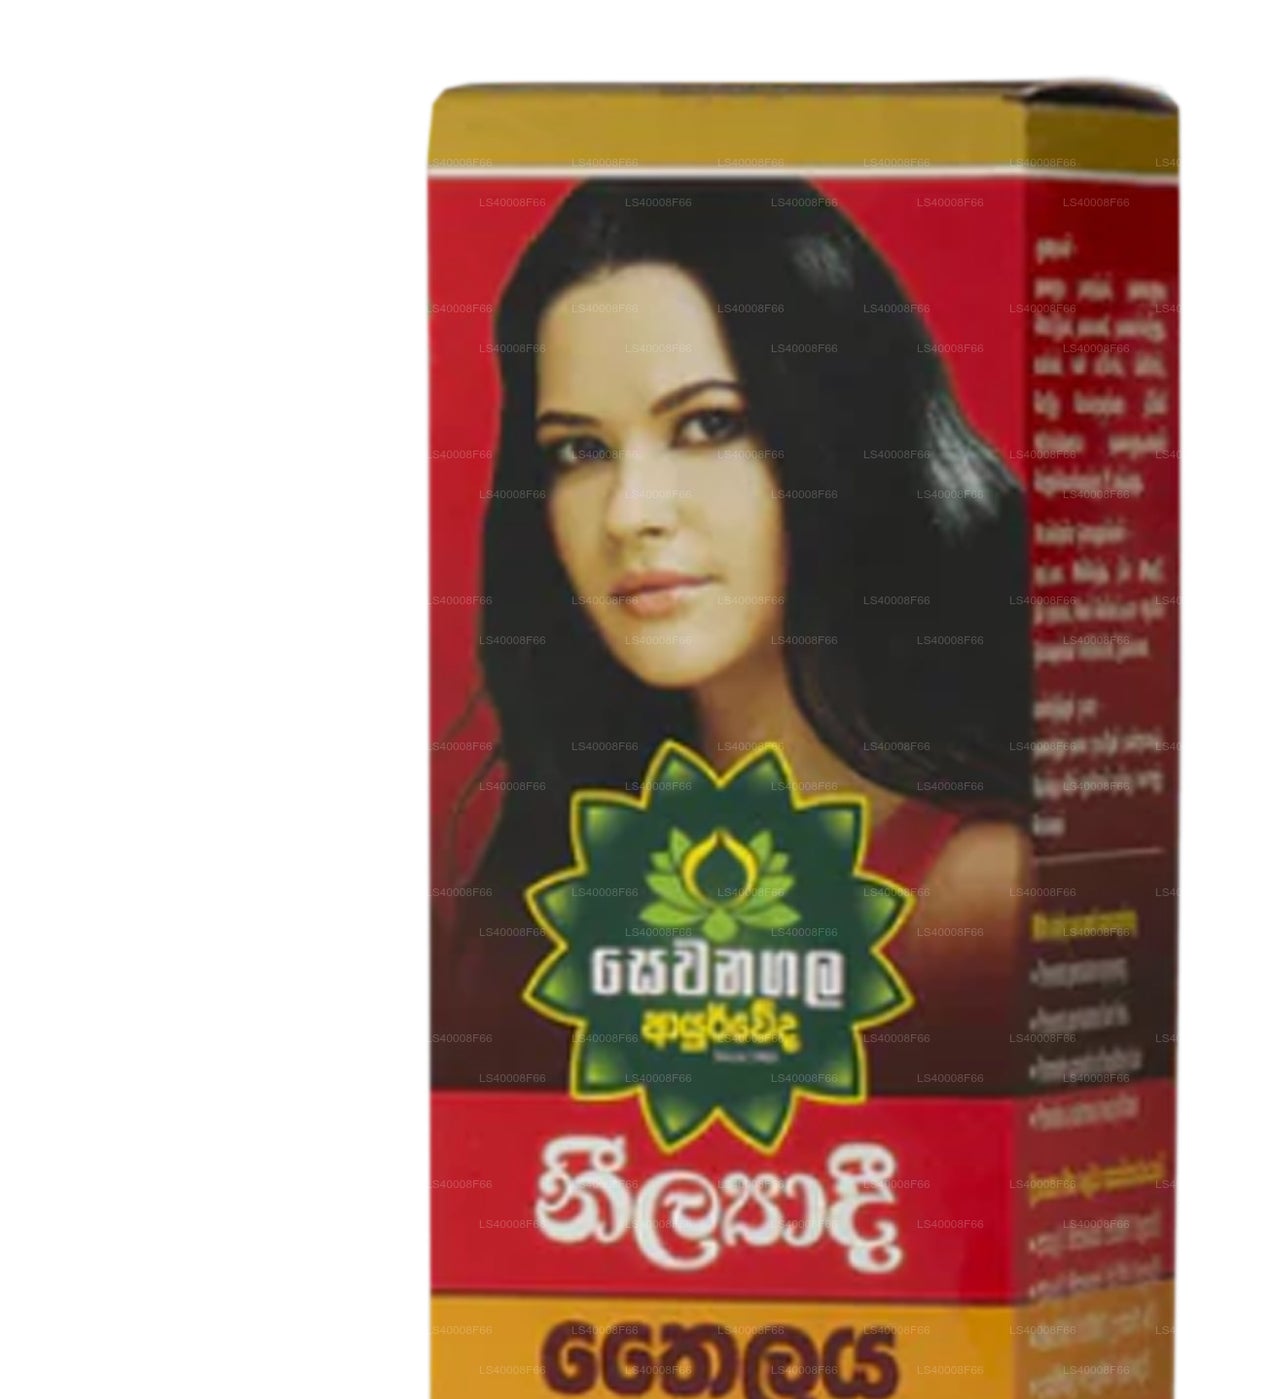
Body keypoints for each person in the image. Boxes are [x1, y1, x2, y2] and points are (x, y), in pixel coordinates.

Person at [435, 179, 1033, 1093]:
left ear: (838, 435)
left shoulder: (979, 897)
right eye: (579, 451)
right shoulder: (547, 880)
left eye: (708, 425)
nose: (629, 513)